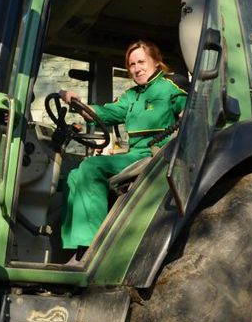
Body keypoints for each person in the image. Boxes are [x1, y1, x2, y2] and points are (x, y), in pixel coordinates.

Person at [59, 40, 187, 255]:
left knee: (92, 166)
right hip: (134, 153)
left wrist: (186, 115)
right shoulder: (131, 96)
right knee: (73, 175)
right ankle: (75, 249)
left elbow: (190, 112)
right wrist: (77, 103)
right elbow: (103, 113)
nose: (137, 69)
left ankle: (92, 248)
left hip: (155, 154)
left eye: (141, 62)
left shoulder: (170, 87)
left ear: (156, 61)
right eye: (132, 65)